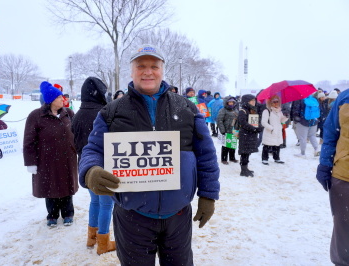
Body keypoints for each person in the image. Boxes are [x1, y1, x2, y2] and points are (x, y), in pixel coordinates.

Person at [79, 44, 220, 265]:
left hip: (178, 215)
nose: (148, 71)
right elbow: (93, 150)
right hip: (132, 216)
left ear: (163, 70)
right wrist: (90, 171)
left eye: (154, 66)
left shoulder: (186, 108)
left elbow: (206, 155)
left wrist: (208, 194)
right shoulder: (111, 112)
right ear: (132, 71)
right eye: (141, 66)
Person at [23, 81, 78, 227]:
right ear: (51, 100)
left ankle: (68, 213)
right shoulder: (36, 116)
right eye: (59, 97)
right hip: (46, 159)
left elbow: (77, 134)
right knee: (50, 186)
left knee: (67, 186)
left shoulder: (69, 113)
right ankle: (52, 215)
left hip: (67, 158)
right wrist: (30, 162)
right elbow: (29, 140)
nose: (63, 99)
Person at [316, 74, 349, 266]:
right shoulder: (346, 98)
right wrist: (324, 164)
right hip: (345, 173)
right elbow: (331, 132)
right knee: (344, 226)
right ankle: (343, 263)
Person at [71, 77, 115, 255]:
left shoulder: (78, 114)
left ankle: (92, 237)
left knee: (94, 202)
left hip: (84, 164)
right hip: (102, 165)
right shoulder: (104, 113)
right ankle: (103, 242)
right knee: (106, 205)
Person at [237, 94, 263, 177]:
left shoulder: (252, 110)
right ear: (246, 102)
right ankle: (243, 170)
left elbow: (254, 122)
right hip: (245, 135)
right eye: (252, 101)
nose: (254, 102)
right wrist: (254, 129)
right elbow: (243, 123)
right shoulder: (243, 110)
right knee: (244, 152)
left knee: (248, 152)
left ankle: (246, 168)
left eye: (254, 101)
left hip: (250, 135)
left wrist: (259, 127)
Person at [260, 95, 288, 165]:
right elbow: (263, 122)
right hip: (270, 131)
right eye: (274, 102)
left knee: (277, 145)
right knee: (267, 145)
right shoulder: (267, 111)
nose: (276, 103)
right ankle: (264, 159)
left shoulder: (279, 111)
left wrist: (286, 117)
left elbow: (281, 120)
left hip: (278, 131)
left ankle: (277, 158)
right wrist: (271, 128)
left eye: (277, 102)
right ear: (270, 103)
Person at [290, 93, 321, 158]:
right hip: (313, 120)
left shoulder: (298, 99)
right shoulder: (313, 99)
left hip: (302, 121)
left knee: (302, 138)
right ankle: (316, 149)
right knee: (312, 135)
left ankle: (303, 153)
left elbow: (295, 111)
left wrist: (294, 119)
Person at [216, 96, 239, 164]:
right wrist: (222, 130)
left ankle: (232, 158)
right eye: (229, 102)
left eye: (232, 102)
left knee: (233, 145)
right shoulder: (223, 110)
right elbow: (219, 120)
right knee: (225, 145)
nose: (231, 103)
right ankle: (224, 159)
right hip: (226, 130)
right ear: (226, 103)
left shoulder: (235, 110)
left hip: (234, 130)